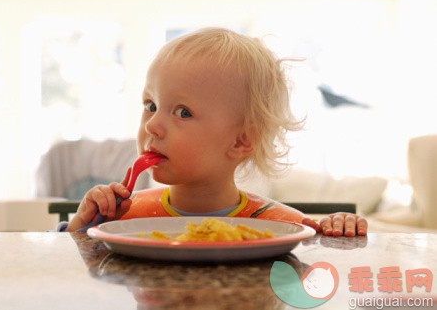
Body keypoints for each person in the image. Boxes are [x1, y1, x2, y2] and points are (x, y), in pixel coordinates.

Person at [65, 28, 367, 236]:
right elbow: (61, 264)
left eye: (183, 112)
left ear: (241, 140)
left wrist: (337, 228)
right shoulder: (124, 216)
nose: (151, 125)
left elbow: (313, 242)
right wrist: (81, 224)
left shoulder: (270, 223)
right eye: (151, 105)